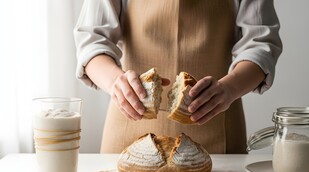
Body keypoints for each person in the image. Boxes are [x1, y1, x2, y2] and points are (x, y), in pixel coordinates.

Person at [74, 0, 282, 154]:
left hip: (217, 132)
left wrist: (229, 89)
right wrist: (115, 83)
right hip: (128, 130)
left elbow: (260, 45)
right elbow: (92, 41)